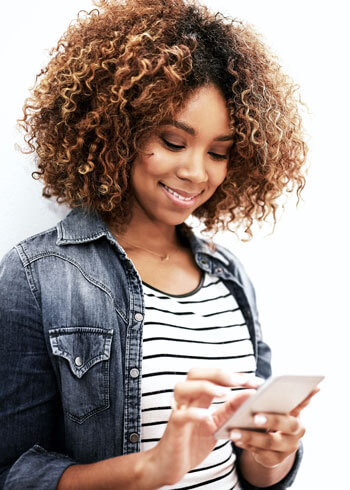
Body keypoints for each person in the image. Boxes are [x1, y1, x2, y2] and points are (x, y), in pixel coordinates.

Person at [0, 0, 315, 488]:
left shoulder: (228, 276)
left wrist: (274, 455)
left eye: (218, 152)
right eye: (173, 141)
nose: (195, 171)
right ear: (119, 131)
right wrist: (150, 468)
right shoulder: (40, 275)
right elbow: (13, 473)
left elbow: (251, 470)